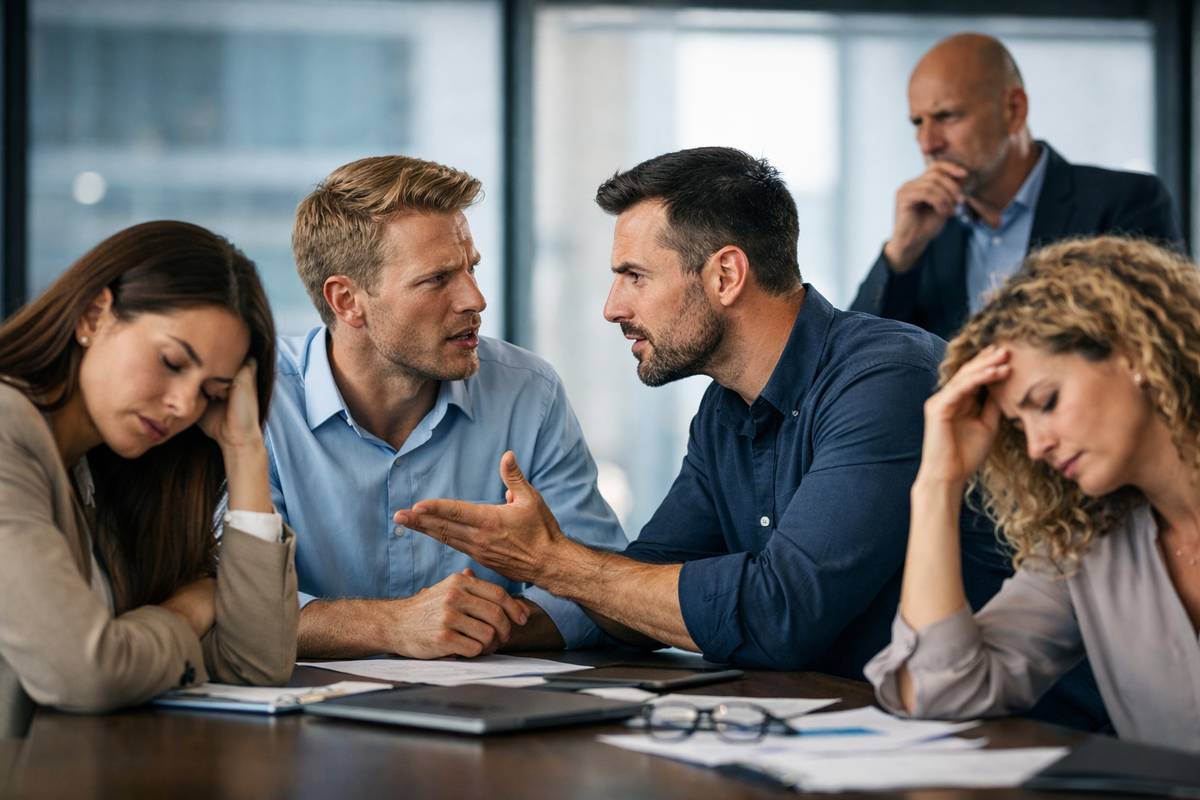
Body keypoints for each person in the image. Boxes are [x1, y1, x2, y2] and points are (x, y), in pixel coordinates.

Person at [394, 146, 1008, 679]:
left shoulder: (887, 379)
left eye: (634, 276)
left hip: (1007, 744)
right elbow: (645, 587)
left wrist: (551, 561)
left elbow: (781, 613)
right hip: (838, 733)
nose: (612, 308)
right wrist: (481, 622)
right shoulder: (724, 410)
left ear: (726, 275)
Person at [272, 155, 625, 660]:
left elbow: (607, 594)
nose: (476, 299)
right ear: (347, 300)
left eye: (471, 269)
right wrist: (392, 626)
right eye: (437, 279)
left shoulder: (528, 391)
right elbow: (227, 606)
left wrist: (479, 625)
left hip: (493, 718)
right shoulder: (256, 401)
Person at [864, 236, 1200, 751]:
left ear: (1135, 350)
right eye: (1019, 427)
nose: (1038, 446)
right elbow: (938, 689)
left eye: (1046, 401)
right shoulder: (1086, 543)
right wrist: (938, 481)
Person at [0, 220, 298, 739]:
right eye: (172, 361)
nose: (185, 405)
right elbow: (85, 674)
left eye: (212, 390)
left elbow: (256, 665)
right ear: (94, 314)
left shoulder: (105, 471)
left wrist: (244, 449)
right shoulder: (7, 429)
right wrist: (184, 613)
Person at [850, 33, 1183, 341]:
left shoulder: (1124, 203)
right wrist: (900, 253)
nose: (927, 143)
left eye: (947, 116)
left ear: (1014, 109)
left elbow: (1161, 345)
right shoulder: (926, 232)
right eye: (918, 122)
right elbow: (853, 359)